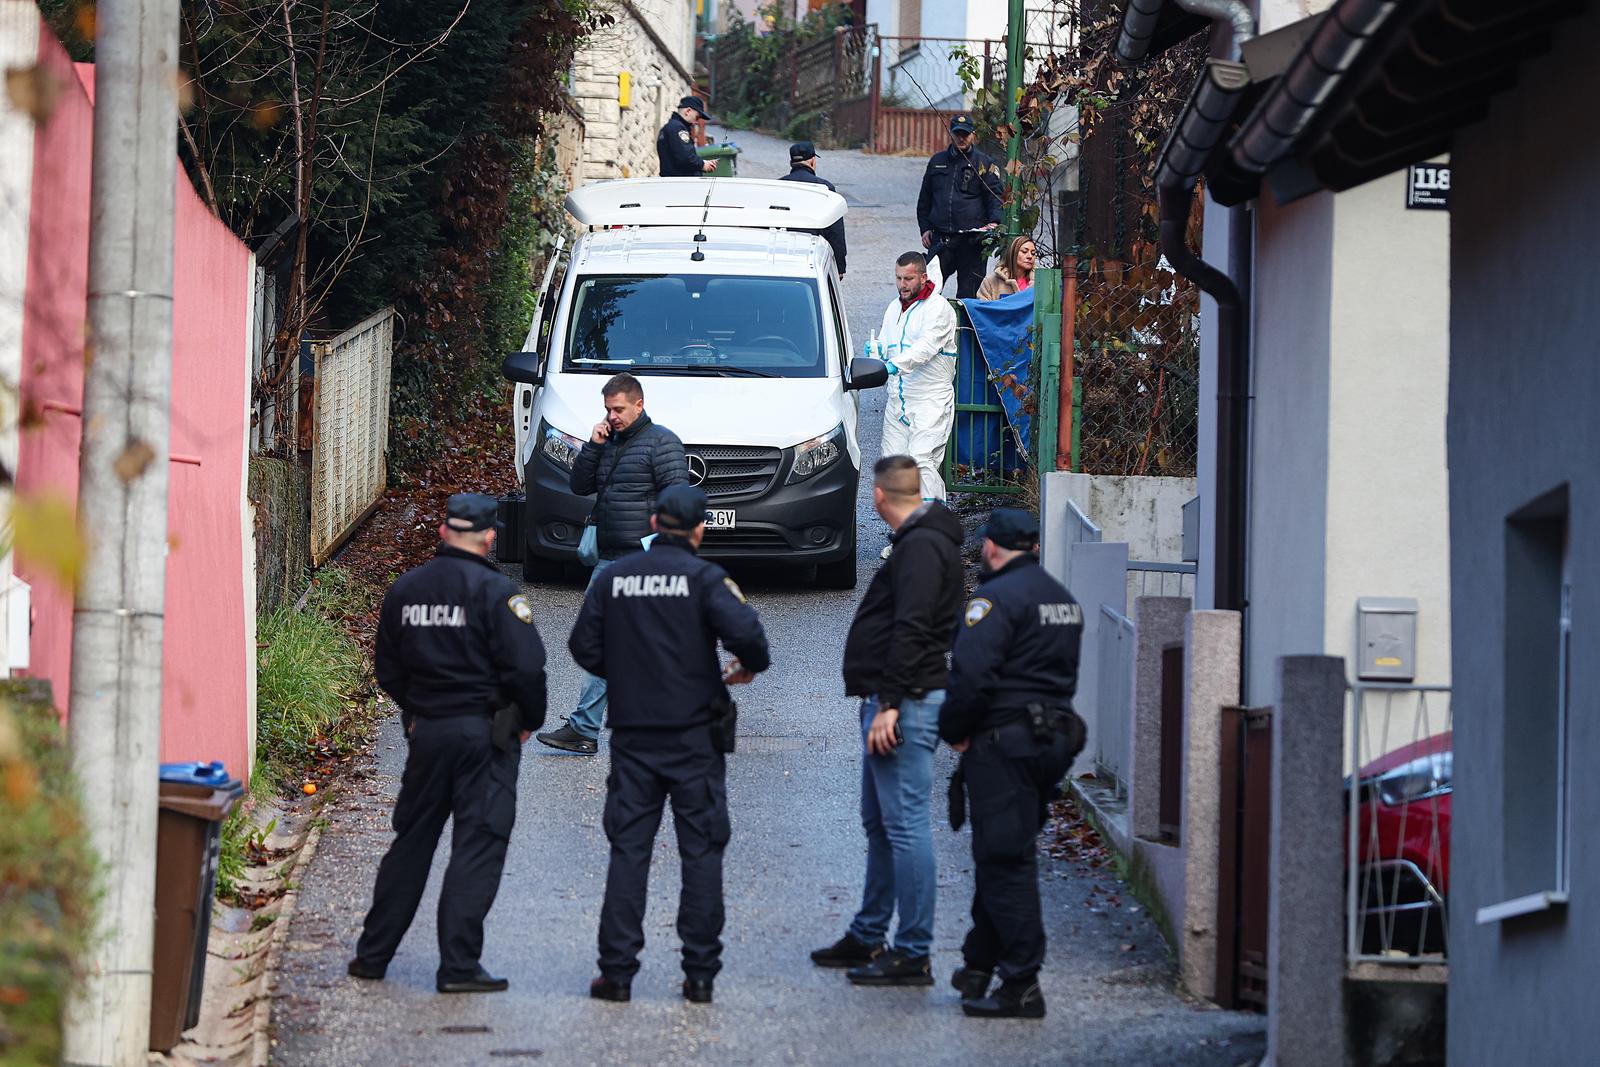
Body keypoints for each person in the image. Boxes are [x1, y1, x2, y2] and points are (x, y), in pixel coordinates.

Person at [568, 483, 771, 1006]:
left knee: (629, 851)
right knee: (701, 851)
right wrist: (742, 667)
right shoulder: (707, 579)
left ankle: (616, 974)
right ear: (700, 529)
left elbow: (582, 646)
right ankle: (700, 975)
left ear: (654, 523)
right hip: (693, 736)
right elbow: (751, 639)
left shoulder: (615, 578)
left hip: (634, 734)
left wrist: (628, 673)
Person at [348, 493, 548, 994]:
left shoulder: (405, 591)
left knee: (411, 844)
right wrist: (528, 720)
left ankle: (372, 957)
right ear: (489, 537)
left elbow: (388, 669)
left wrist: (417, 711)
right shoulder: (497, 593)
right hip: (485, 736)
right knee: (476, 846)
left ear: (442, 532)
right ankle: (458, 967)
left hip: (429, 734)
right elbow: (526, 668)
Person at [812, 455, 964, 987]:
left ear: (877, 497)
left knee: (904, 827)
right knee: (881, 824)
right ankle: (870, 932)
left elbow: (914, 628)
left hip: (905, 702)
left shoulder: (921, 547)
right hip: (895, 697)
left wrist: (893, 703)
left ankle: (914, 950)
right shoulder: (921, 540)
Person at [939, 508, 1087, 1020]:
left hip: (1006, 743)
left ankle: (1022, 982)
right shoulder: (1061, 599)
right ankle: (979, 964)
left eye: (984, 545)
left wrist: (953, 732)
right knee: (1006, 847)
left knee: (1005, 860)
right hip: (1051, 741)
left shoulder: (993, 599)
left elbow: (970, 677)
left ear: (993, 547)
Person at [537, 372, 687, 754]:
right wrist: (593, 445)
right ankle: (593, 727)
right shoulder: (607, 442)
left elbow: (678, 500)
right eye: (608, 409)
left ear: (639, 403)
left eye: (619, 409)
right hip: (608, 559)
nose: (613, 416)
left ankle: (601, 726)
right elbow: (580, 485)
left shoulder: (662, 443)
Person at [869, 252, 959, 505]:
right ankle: (903, 536)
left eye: (908, 278)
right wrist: (877, 352)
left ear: (923, 276)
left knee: (921, 462)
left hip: (930, 398)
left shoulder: (938, 308)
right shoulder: (894, 307)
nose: (902, 284)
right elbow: (888, 344)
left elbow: (925, 348)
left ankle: (930, 532)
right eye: (898, 278)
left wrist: (891, 367)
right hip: (897, 399)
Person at [916, 113, 1003, 299]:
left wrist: (995, 223)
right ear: (951, 134)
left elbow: (995, 197)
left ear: (973, 135)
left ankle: (966, 328)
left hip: (972, 242)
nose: (961, 138)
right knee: (927, 291)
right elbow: (925, 199)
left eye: (966, 134)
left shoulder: (984, 164)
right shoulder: (937, 162)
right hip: (941, 239)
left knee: (969, 297)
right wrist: (925, 228)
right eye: (958, 134)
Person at [778, 140, 847, 277]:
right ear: (812, 161)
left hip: (783, 253)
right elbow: (835, 231)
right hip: (815, 255)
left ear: (792, 162)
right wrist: (840, 266)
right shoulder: (824, 188)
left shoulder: (779, 186)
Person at [657, 96, 719, 177]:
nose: (696, 122)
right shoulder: (678, 129)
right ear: (688, 111)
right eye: (697, 117)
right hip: (680, 184)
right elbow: (685, 158)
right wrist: (702, 164)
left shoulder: (669, 128)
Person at [977, 235, 1037, 301]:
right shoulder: (990, 282)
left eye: (1033, 253)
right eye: (1024, 252)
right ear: (1013, 253)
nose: (1030, 256)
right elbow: (982, 308)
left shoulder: (1040, 282)